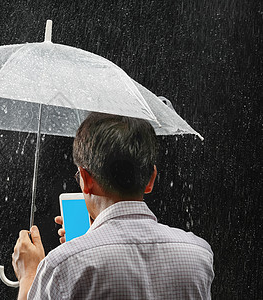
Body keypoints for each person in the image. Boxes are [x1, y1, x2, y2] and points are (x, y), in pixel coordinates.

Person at [12, 113, 214, 299]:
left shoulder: (62, 265)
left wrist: (29, 276)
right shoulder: (198, 254)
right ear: (151, 179)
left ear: (86, 179)